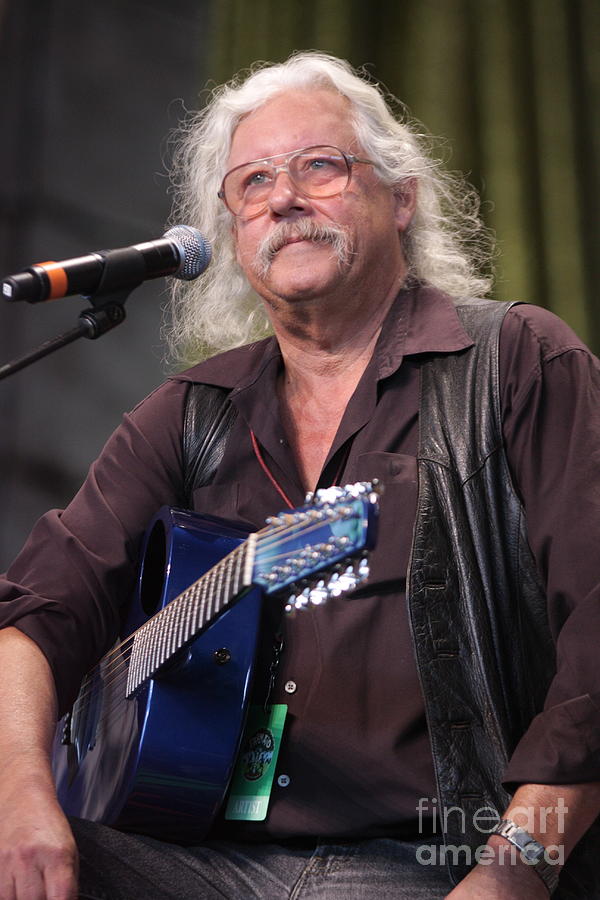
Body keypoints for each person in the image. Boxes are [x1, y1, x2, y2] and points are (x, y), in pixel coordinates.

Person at [0, 50, 599, 900]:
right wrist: (19, 795)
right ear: (234, 230)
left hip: (428, 861)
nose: (283, 197)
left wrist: (517, 868)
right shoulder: (191, 412)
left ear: (401, 197)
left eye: (318, 166)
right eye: (252, 183)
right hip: (195, 858)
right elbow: (35, 614)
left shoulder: (517, 363)